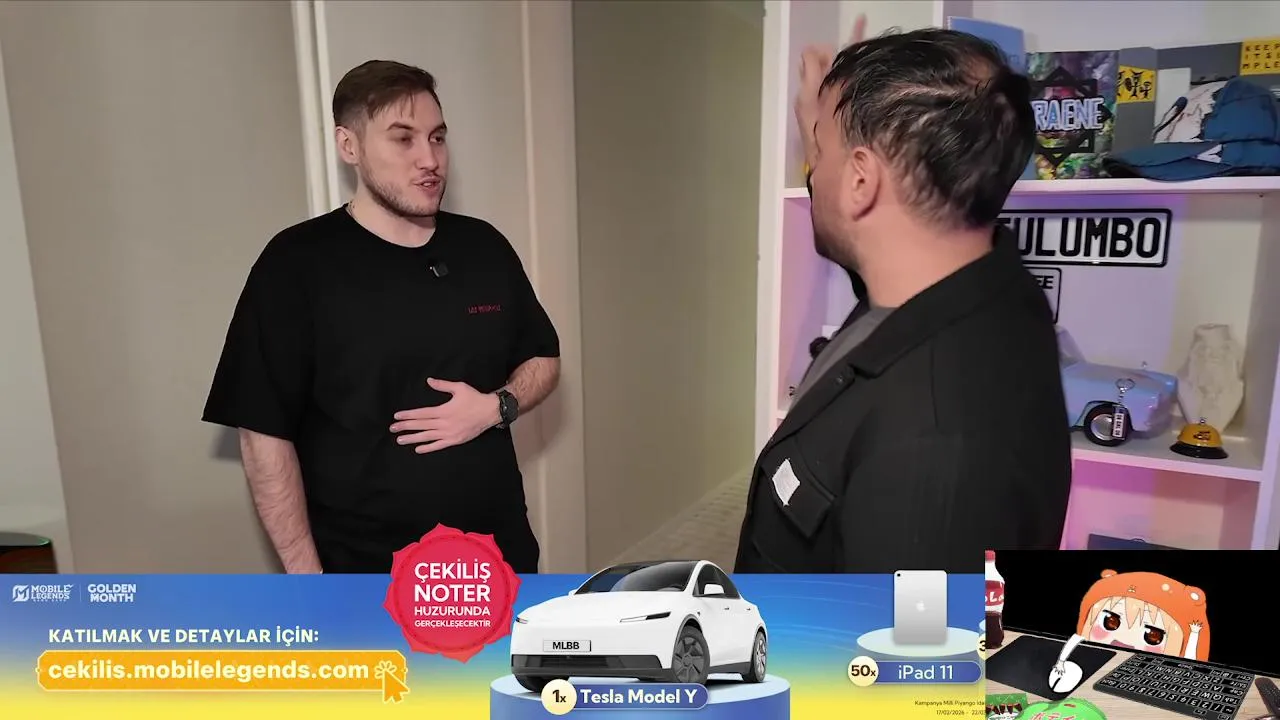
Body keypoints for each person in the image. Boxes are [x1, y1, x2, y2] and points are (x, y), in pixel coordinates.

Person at [734, 23, 1072, 573]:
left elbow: (907, 633)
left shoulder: (934, 449)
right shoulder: (979, 285)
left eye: (821, 152)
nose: (815, 168)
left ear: (861, 182)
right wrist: (817, 126)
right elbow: (860, 235)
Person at [203, 60, 561, 574]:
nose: (429, 159)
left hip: (495, 561)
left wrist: (497, 406)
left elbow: (543, 358)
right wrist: (309, 584)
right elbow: (262, 435)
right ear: (348, 145)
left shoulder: (484, 247)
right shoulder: (296, 265)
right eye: (403, 139)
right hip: (366, 572)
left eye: (437, 138)